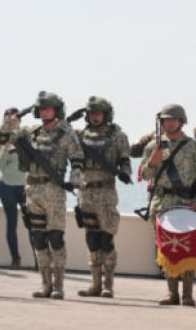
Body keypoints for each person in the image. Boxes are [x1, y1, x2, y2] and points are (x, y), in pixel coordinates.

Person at [0, 92, 83, 299]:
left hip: (53, 189)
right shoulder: (30, 132)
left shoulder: (66, 134)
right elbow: (2, 139)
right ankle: (45, 284)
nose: (44, 112)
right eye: (41, 109)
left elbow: (77, 159)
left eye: (48, 108)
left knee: (55, 238)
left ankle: (58, 286)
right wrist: (11, 122)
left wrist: (74, 179)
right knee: (38, 238)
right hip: (32, 189)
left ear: (56, 110)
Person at [73, 97, 131, 298]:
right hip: (86, 194)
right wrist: (69, 120)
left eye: (98, 113)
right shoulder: (79, 135)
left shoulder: (117, 136)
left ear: (106, 115)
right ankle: (95, 284)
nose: (95, 117)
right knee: (92, 239)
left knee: (107, 240)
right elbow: (61, 139)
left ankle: (108, 285)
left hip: (106, 194)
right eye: (91, 114)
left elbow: (125, 160)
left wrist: (125, 172)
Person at [141, 104, 196, 306]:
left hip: (186, 202)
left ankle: (188, 294)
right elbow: (145, 175)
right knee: (165, 249)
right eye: (166, 120)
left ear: (181, 122)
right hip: (162, 202)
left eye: (173, 119)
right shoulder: (153, 146)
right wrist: (153, 162)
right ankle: (171, 292)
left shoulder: (192, 146)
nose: (170, 123)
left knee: (189, 247)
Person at [0, 107, 27, 269]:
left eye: (15, 119)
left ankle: (38, 260)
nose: (13, 122)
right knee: (11, 223)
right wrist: (7, 143)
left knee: (33, 223)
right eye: (9, 120)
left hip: (26, 186)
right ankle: (15, 258)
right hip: (6, 185)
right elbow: (0, 163)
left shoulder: (26, 136)